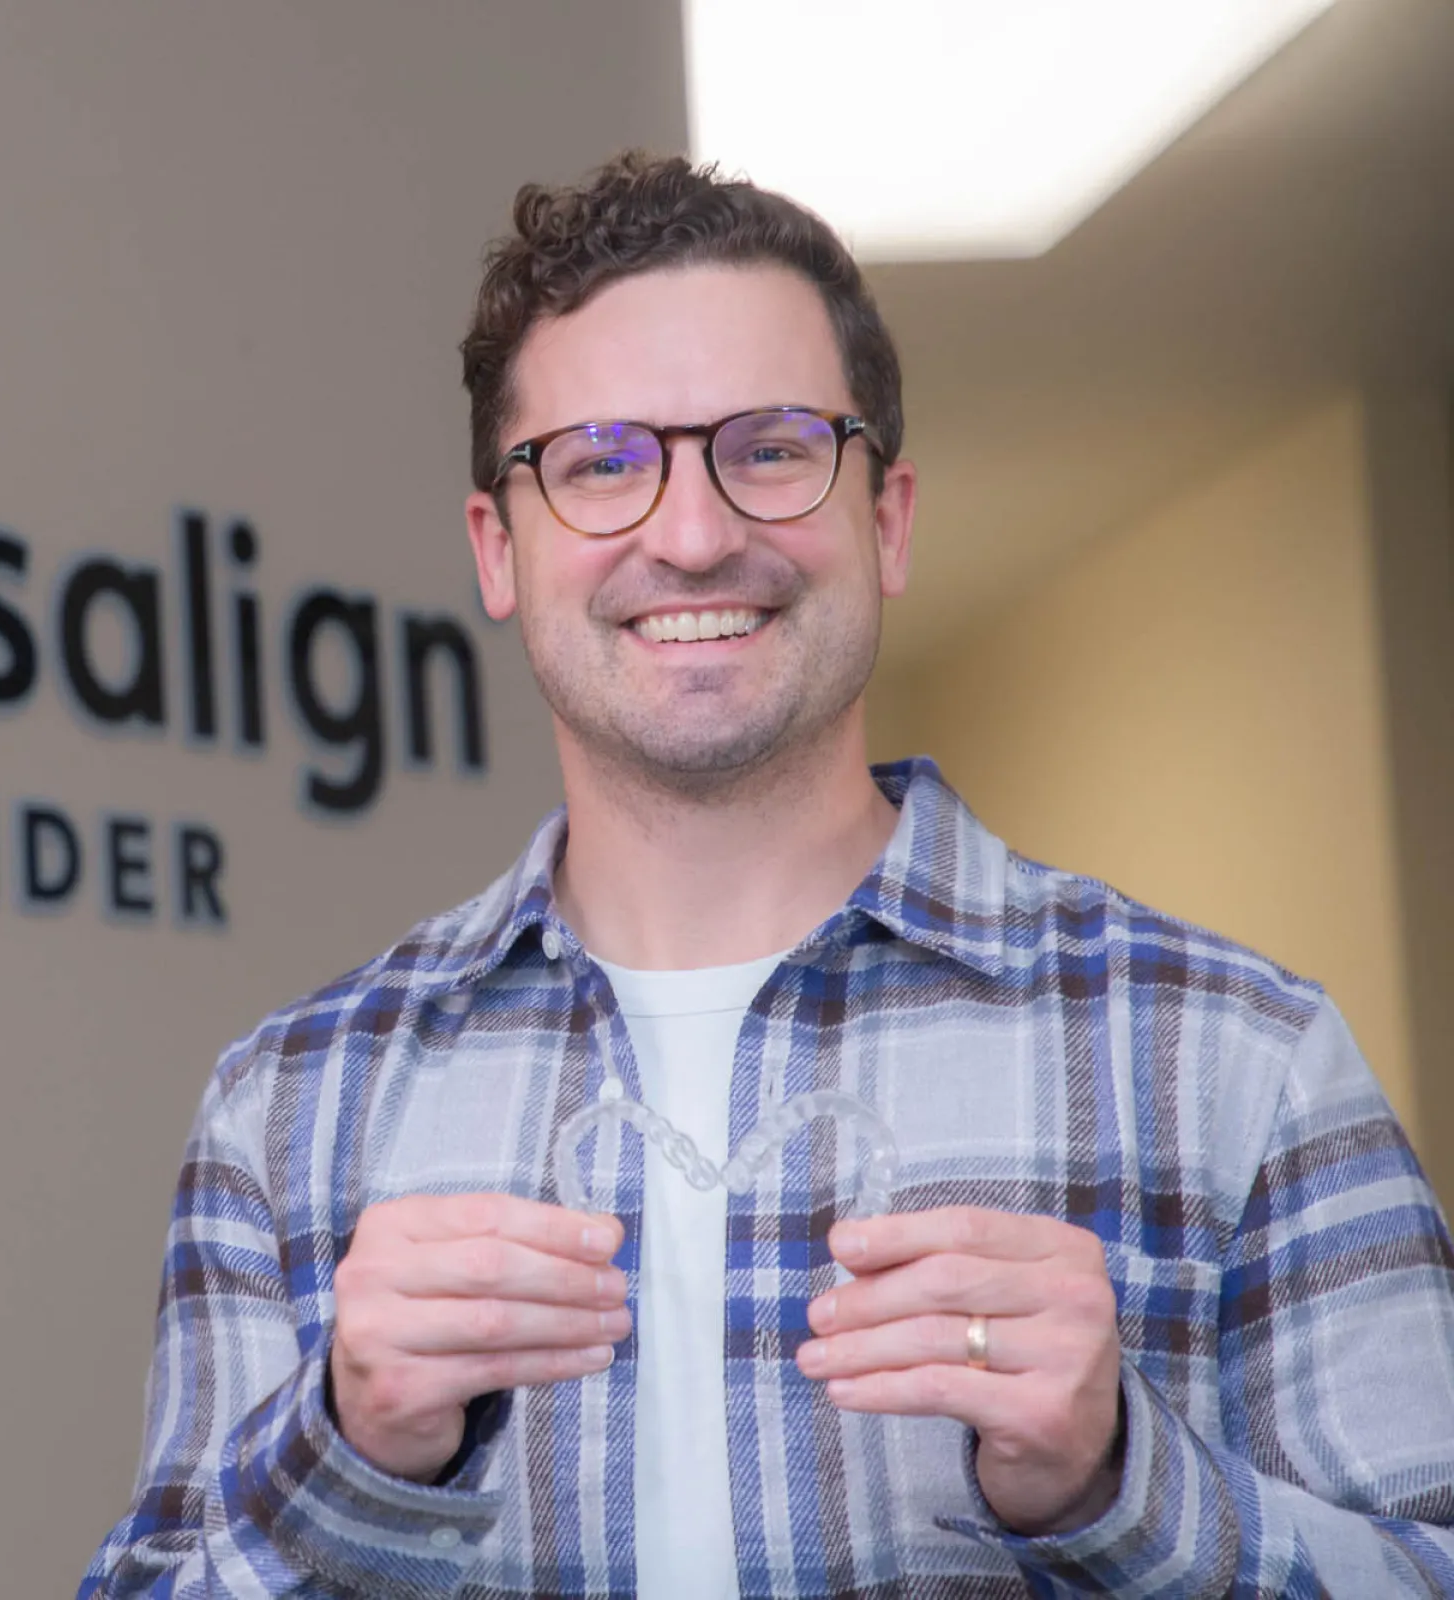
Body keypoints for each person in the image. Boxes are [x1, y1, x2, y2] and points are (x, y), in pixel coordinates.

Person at [81, 152, 1454, 1599]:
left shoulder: (1236, 1058)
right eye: (603, 462)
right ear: (499, 549)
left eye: (775, 447)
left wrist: (1125, 1482)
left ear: (890, 517)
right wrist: (340, 1455)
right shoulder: (290, 1114)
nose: (691, 534)